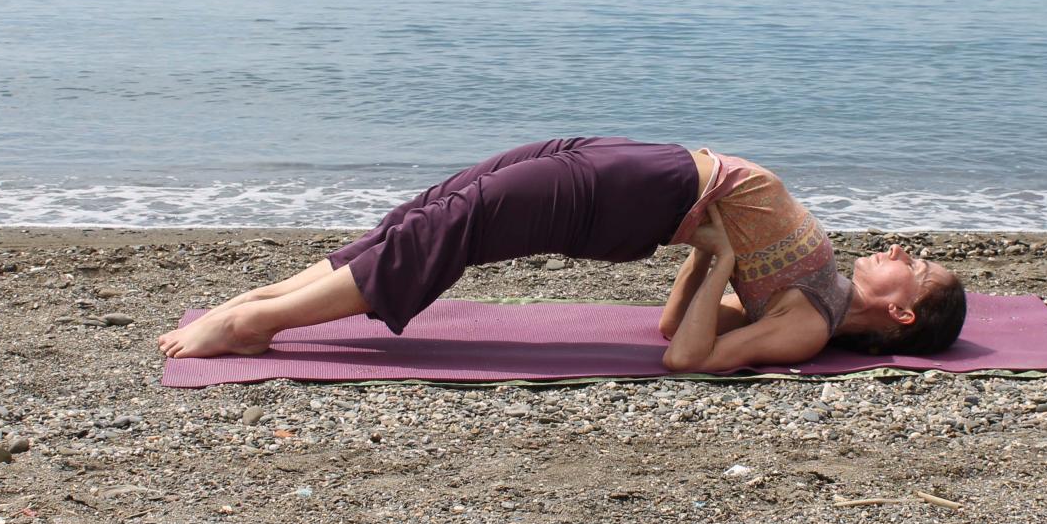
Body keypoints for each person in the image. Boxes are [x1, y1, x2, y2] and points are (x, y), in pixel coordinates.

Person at [157, 136, 966, 366]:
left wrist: (713, 254)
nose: (900, 249)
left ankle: (251, 328)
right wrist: (705, 253)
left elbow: (684, 358)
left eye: (917, 265)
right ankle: (255, 306)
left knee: (453, 229)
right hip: (646, 174)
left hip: (630, 196)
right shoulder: (810, 295)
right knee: (433, 209)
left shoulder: (808, 328)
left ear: (899, 311)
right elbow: (676, 324)